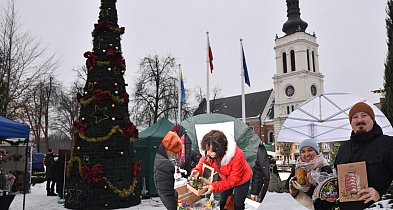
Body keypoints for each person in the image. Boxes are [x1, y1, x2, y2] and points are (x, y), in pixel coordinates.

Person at [334, 102, 393, 210]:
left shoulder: (388, 144)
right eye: (355, 117)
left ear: (373, 119)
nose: (359, 120)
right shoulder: (343, 148)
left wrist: (381, 195)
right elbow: (336, 178)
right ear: (351, 123)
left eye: (364, 115)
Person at [190, 130, 253, 210]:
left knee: (238, 203)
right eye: (207, 150)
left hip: (242, 179)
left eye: (211, 151)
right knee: (223, 200)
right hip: (225, 178)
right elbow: (204, 160)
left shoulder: (238, 156)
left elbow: (233, 180)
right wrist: (198, 169)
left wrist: (214, 186)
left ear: (220, 150)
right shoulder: (209, 153)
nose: (208, 153)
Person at [287, 139, 335, 210]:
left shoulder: (325, 168)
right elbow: (286, 192)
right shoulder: (297, 168)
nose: (306, 154)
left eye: (310, 150)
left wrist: (308, 188)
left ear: (316, 152)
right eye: (303, 151)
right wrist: (293, 192)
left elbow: (328, 203)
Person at [153, 131, 183, 210]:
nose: (175, 156)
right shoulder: (165, 164)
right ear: (169, 149)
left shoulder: (156, 156)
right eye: (175, 152)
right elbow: (166, 194)